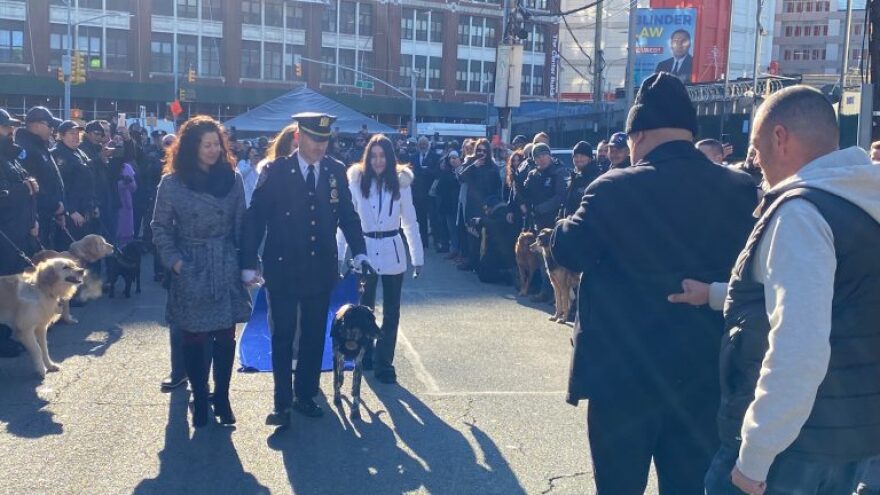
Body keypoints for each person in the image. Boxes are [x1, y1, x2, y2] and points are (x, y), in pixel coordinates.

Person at [551, 73, 757, 494]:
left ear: (637, 134)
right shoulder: (740, 189)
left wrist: (560, 225)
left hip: (621, 376)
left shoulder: (612, 187)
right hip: (702, 373)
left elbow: (568, 251)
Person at [672, 85, 880, 495]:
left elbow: (798, 348)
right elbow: (845, 300)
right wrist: (716, 294)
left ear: (780, 138)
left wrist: (755, 457)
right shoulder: (861, 203)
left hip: (789, 449)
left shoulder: (802, 213)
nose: (755, 162)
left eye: (756, 148)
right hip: (850, 436)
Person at [242, 112, 368, 428]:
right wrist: (247, 263)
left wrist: (360, 250)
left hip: (319, 268)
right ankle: (281, 403)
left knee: (313, 336)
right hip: (282, 267)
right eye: (314, 139)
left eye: (324, 140)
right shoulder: (276, 171)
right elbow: (256, 217)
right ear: (298, 137)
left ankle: (306, 395)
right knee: (282, 336)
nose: (320, 146)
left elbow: (348, 216)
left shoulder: (334, 171)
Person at [151, 116, 252, 429]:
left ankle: (221, 396)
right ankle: (199, 395)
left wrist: (247, 264)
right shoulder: (173, 182)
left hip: (223, 262)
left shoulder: (232, 179)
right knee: (194, 335)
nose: (212, 150)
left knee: (224, 334)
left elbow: (242, 225)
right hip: (190, 262)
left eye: (217, 144)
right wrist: (175, 261)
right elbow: (159, 226)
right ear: (191, 147)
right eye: (206, 145)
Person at [338, 134, 423, 384]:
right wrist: (340, 255)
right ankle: (366, 355)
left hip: (392, 251)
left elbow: (409, 221)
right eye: (373, 156)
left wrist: (417, 256)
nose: (377, 161)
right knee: (365, 309)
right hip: (365, 251)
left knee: (392, 311)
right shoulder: (356, 182)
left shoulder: (400, 184)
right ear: (367, 157)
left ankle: (385, 363)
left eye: (382, 156)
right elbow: (347, 222)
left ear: (389, 157)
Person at [16, 106, 65, 249]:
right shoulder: (25, 149)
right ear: (36, 125)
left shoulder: (39, 146)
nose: (52, 130)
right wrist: (54, 206)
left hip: (48, 216)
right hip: (35, 220)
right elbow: (31, 186)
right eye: (49, 126)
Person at [456, 138, 501, 272]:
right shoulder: (471, 162)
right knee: (471, 233)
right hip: (472, 204)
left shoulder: (493, 166)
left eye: (484, 150)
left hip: (486, 205)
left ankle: (482, 263)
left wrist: (493, 205)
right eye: (479, 150)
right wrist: (473, 165)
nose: (482, 153)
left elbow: (497, 186)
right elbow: (460, 177)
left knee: (483, 235)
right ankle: (471, 261)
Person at [51, 121, 95, 246]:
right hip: (71, 214)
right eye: (72, 133)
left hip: (85, 209)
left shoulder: (79, 152)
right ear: (62, 135)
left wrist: (93, 204)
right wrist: (71, 210)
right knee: (71, 253)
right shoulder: (57, 153)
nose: (76, 136)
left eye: (77, 133)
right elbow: (58, 187)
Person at [523, 143, 566, 230]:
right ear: (534, 160)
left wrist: (540, 209)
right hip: (536, 220)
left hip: (554, 219)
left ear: (549, 156)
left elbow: (560, 197)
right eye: (538, 157)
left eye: (544, 155)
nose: (541, 159)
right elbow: (526, 194)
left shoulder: (558, 172)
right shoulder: (532, 174)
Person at [410, 136, 438, 250]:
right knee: (420, 219)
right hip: (417, 193)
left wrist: (427, 170)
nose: (422, 146)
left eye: (424, 144)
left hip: (430, 193)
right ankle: (423, 241)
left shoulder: (435, 157)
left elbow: (437, 173)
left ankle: (437, 241)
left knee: (434, 218)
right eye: (420, 144)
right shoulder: (413, 157)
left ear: (428, 145)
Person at [562, 141, 601, 218]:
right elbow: (565, 203)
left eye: (582, 155)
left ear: (590, 158)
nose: (578, 159)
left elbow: (595, 208)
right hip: (568, 224)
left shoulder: (596, 178)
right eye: (576, 156)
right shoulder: (573, 177)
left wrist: (573, 218)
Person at [437, 150, 463, 260]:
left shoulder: (462, 171)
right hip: (449, 205)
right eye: (451, 158)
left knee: (460, 230)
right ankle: (454, 250)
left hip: (459, 205)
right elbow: (439, 188)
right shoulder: (446, 172)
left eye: (455, 158)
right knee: (451, 229)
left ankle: (460, 251)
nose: (453, 160)